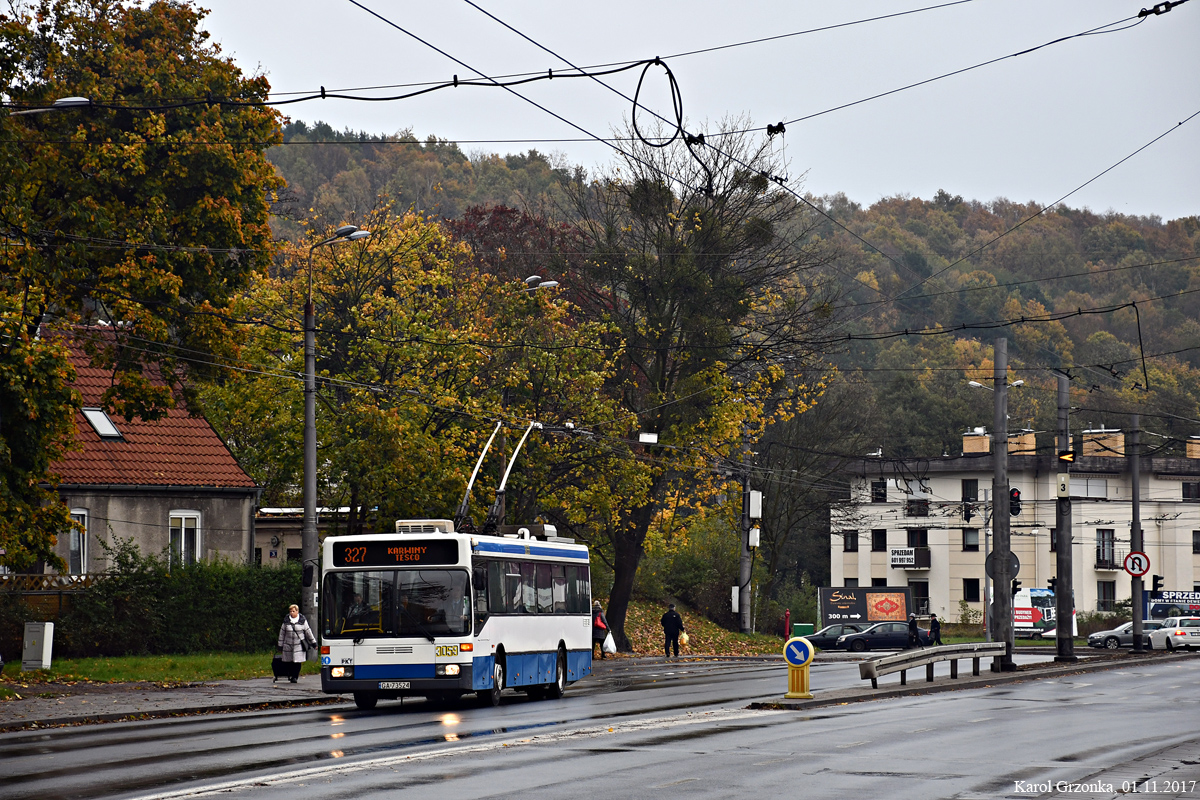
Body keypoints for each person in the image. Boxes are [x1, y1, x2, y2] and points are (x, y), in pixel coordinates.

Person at [278, 603, 317, 683]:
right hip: (288, 644)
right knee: (289, 661)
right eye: (290, 611)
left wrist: (314, 643)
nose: (291, 613)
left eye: (293, 611)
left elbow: (308, 632)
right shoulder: (286, 621)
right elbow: (282, 634)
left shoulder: (302, 621)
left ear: (297, 611)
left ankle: (295, 677)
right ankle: (290, 675)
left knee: (297, 661)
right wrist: (280, 645)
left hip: (298, 645)